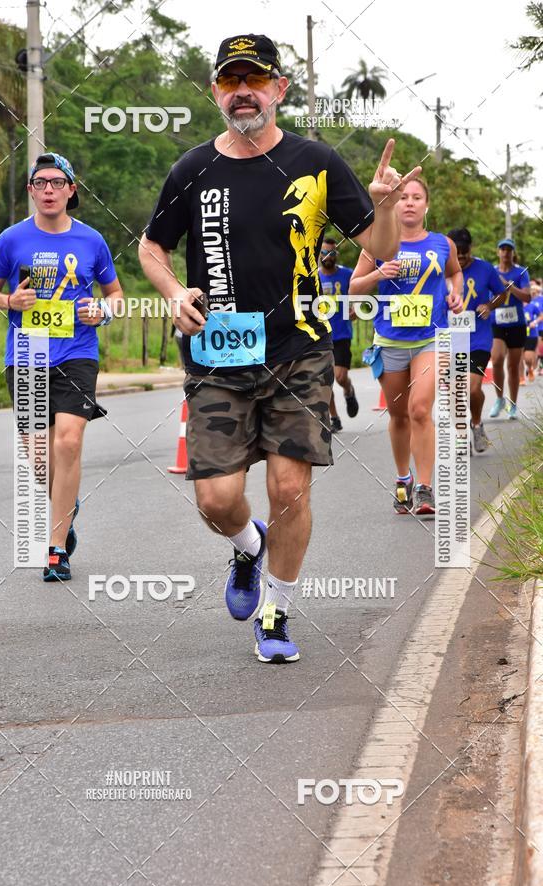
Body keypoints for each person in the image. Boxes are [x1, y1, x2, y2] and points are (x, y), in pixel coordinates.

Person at [139, 33, 418, 662]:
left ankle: (276, 612)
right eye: (231, 81)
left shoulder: (316, 162)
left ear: (279, 90)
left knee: (290, 489)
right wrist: (171, 289)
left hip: (299, 350)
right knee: (215, 498)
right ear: (216, 91)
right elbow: (151, 246)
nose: (243, 93)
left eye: (255, 80)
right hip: (217, 356)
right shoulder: (191, 169)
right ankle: (247, 547)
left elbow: (382, 248)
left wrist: (387, 204)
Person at [0, 152, 122, 582]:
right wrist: (8, 301)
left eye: (57, 183)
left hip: (77, 353)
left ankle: (56, 548)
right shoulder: (11, 239)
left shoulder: (92, 241)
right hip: (26, 354)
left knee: (70, 440)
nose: (48, 190)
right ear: (31, 191)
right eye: (40, 183)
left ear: (71, 190)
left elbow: (114, 295)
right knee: (39, 456)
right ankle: (66, 502)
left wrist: (103, 312)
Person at [350, 177, 463, 515]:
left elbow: (454, 273)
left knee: (419, 409)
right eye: (403, 197)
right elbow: (354, 288)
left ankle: (426, 487)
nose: (410, 202)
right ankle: (404, 479)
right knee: (399, 415)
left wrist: (456, 293)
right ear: (394, 205)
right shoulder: (377, 245)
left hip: (431, 338)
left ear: (427, 205)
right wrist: (377, 276)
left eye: (417, 197)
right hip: (390, 339)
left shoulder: (443, 244)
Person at [447, 228, 506, 453]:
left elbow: (502, 292)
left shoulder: (484, 268)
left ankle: (477, 423)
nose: (460, 257)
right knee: (454, 390)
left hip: (478, 338)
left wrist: (489, 305)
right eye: (456, 253)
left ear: (470, 248)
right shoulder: (440, 270)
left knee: (472, 388)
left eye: (464, 252)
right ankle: (461, 434)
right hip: (450, 339)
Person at [318, 237, 358, 432]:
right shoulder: (313, 277)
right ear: (319, 254)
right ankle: (334, 418)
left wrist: (356, 309)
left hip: (341, 334)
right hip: (321, 336)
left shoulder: (347, 275)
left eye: (331, 253)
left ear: (336, 254)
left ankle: (349, 391)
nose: (328, 256)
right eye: (324, 253)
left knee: (340, 377)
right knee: (325, 380)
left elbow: (359, 293)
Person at [489, 238, 530, 419]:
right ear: (498, 252)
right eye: (502, 249)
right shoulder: (491, 271)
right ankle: (499, 399)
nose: (506, 253)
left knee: (513, 366)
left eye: (509, 249)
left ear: (513, 252)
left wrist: (509, 286)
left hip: (517, 325)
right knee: (497, 360)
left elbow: (527, 297)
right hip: (496, 323)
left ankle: (512, 405)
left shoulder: (521, 272)